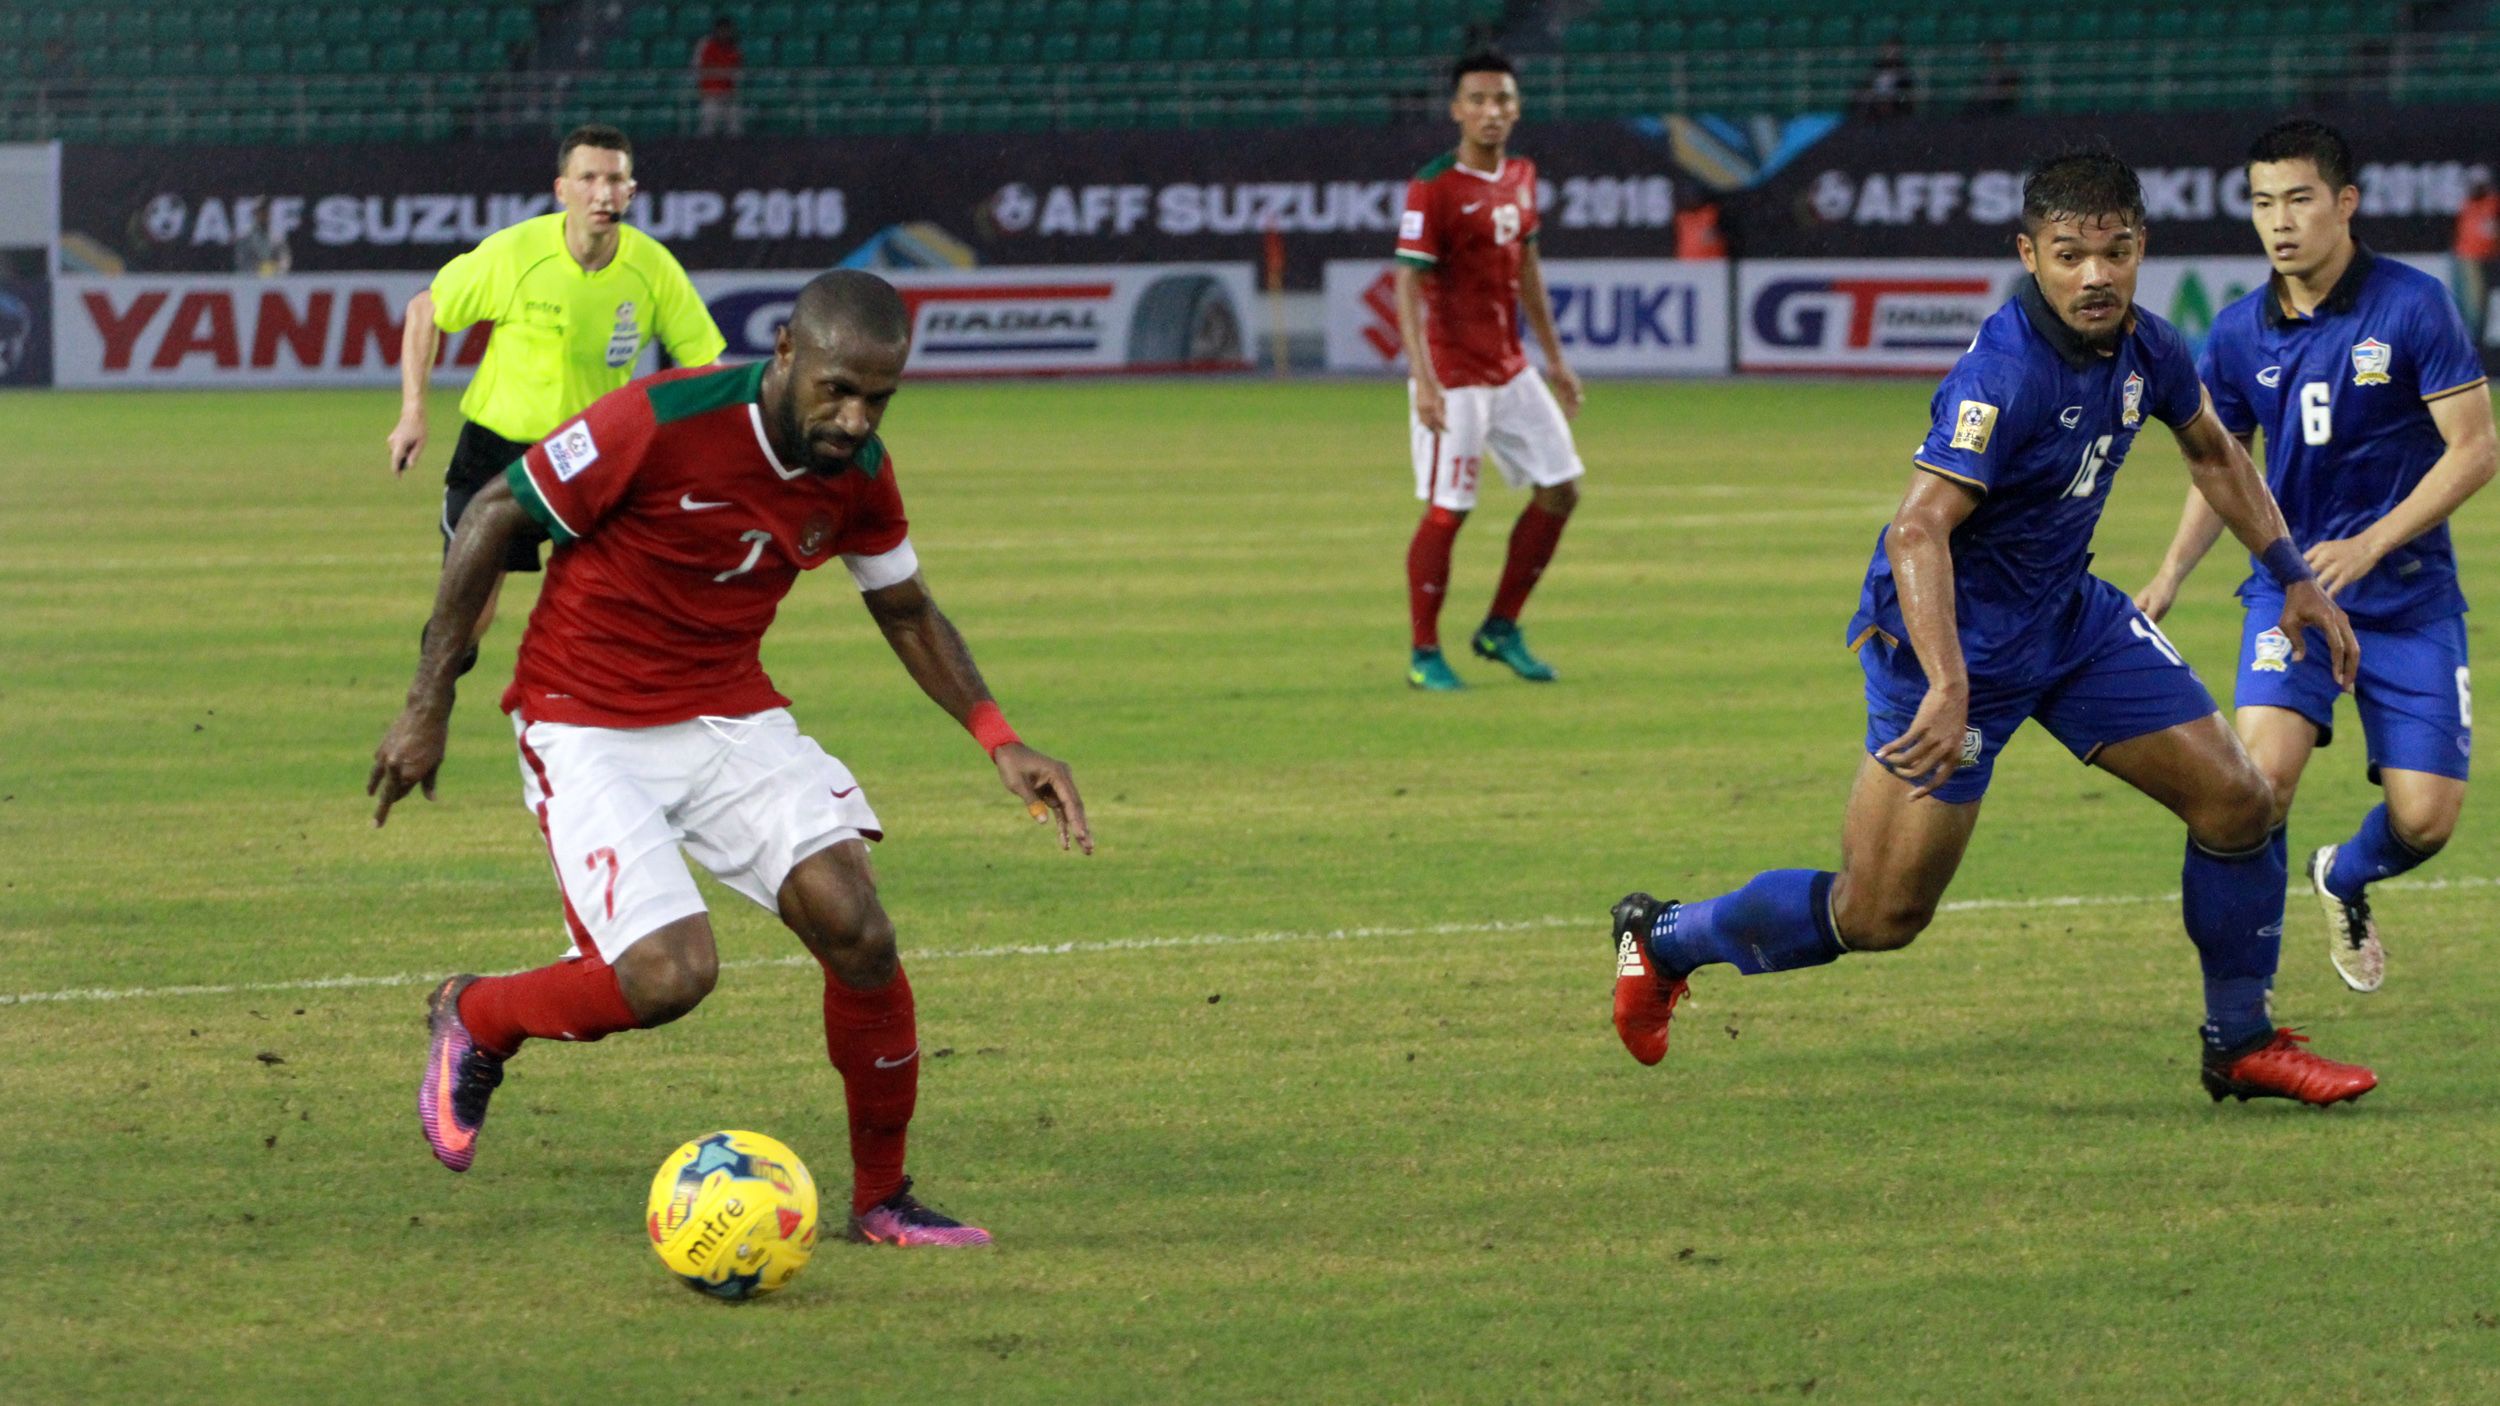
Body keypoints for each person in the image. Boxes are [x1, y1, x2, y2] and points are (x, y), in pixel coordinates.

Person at [1609, 150, 2379, 1106]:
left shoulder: (2149, 346)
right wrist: (1946, 679)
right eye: (2069, 256)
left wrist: (2294, 576)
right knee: (1882, 913)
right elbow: (1917, 528)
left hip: (2068, 618)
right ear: (2030, 254)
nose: (2095, 275)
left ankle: (2241, 1041)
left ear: (2141, 249)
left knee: (2240, 804)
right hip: (1950, 647)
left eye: (2116, 251)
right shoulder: (2005, 372)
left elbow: (2215, 453)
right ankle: (1667, 936)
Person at [369, 269, 1092, 1247]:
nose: (853, 417)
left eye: (877, 397)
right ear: (785, 351)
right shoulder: (663, 419)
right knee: (669, 974)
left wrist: (999, 736)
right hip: (583, 717)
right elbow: (496, 511)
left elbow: (907, 608)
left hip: (725, 714)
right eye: (837, 388)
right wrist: (427, 703)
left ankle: (882, 1196)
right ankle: (477, 1013)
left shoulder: (860, 471)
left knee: (860, 930)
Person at [2136, 119, 2496, 994]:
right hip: (2290, 596)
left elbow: (2475, 448)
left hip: (2409, 599)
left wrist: (2372, 543)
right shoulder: (2232, 334)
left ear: (2345, 204)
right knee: (2259, 787)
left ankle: (2344, 876)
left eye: (2299, 199)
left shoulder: (2414, 304)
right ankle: (2243, 1007)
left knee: (2426, 821)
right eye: (2263, 203)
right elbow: (2223, 471)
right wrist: (2171, 573)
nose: (2280, 221)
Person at [384, 124, 726, 681]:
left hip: (593, 455)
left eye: (614, 179)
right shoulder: (517, 253)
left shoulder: (653, 268)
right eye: (588, 178)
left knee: (620, 609)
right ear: (562, 190)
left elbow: (703, 368)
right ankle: (427, 702)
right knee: (466, 619)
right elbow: (426, 310)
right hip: (498, 452)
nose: (602, 192)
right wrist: (413, 412)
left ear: (632, 192)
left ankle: (607, 714)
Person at [1393, 49, 1587, 691]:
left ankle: (1501, 626)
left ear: (1516, 108)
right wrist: (1423, 380)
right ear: (1456, 111)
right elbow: (1406, 282)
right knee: (1450, 509)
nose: (1491, 111)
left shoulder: (1522, 175)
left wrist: (1555, 361)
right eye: (1477, 100)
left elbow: (1527, 268)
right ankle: (1424, 653)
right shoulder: (1434, 185)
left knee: (1561, 488)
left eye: (1502, 99)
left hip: (1511, 369)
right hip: (1456, 378)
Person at [2455, 173, 2497, 347]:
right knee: (2474, 300)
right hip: (2470, 256)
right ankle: (2473, 340)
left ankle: (2479, 340)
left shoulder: (2493, 203)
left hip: (2490, 256)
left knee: (2484, 300)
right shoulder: (2468, 204)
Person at [693, 16, 745, 138]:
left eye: (727, 30)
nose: (724, 33)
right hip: (710, 93)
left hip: (729, 94)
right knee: (709, 120)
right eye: (722, 30)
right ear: (716, 30)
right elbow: (696, 68)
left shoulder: (735, 48)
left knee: (735, 124)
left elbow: (739, 73)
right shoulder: (705, 45)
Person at [1852, 38, 1918, 121]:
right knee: (1864, 96)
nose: (1891, 52)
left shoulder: (1902, 67)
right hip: (1877, 96)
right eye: (1889, 49)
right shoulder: (1877, 65)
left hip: (1895, 98)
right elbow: (1869, 82)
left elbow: (1907, 87)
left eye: (1894, 50)